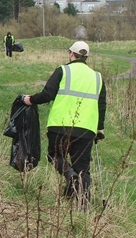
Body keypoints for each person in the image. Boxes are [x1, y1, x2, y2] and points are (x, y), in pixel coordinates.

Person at [23, 41, 106, 205]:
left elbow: (47, 94)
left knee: (54, 156)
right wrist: (100, 128)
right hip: (86, 129)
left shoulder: (63, 70)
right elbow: (101, 104)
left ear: (71, 54)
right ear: (86, 57)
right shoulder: (97, 77)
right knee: (83, 168)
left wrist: (30, 99)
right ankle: (82, 206)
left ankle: (68, 174)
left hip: (59, 126)